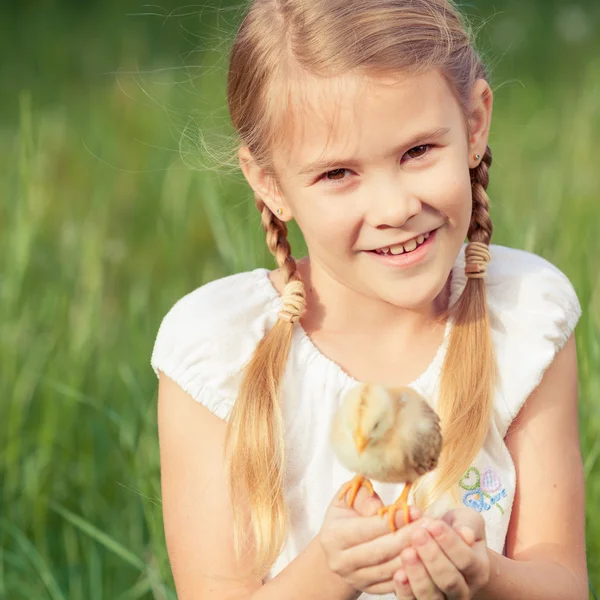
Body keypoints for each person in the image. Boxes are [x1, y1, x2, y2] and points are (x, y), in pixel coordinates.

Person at [150, 1, 588, 598]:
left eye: (417, 152)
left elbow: (562, 582)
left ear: (475, 124)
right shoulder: (218, 353)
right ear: (269, 182)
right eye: (337, 174)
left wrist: (483, 572)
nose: (394, 209)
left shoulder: (521, 319)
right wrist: (331, 571)